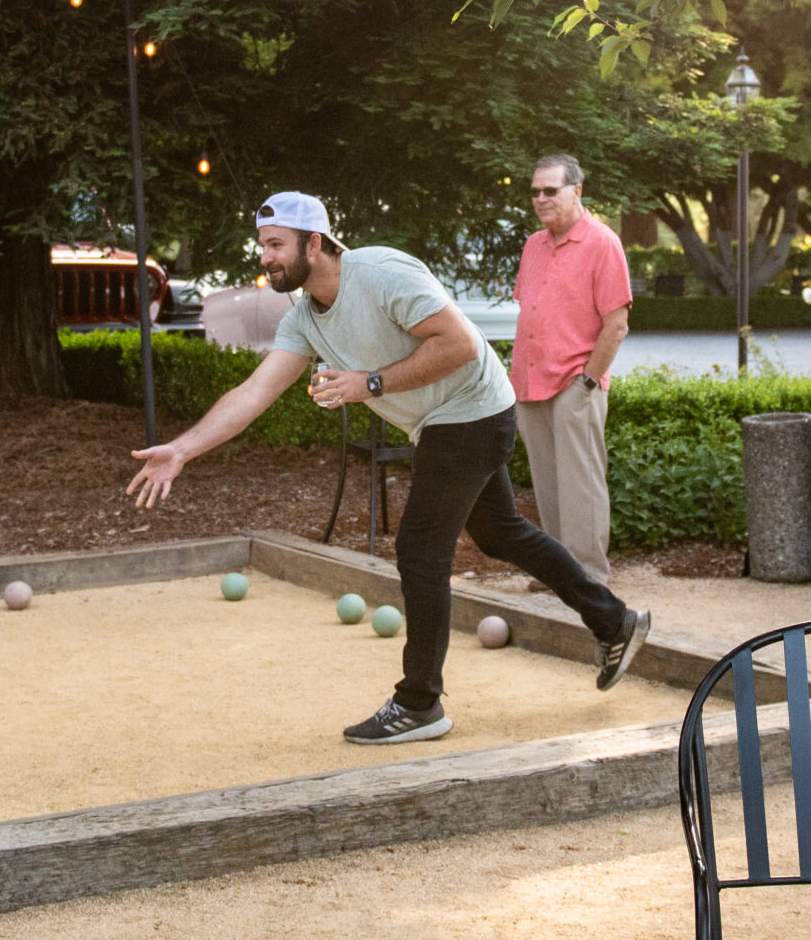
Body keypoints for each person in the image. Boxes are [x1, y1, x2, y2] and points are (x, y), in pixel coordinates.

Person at [126, 191, 652, 746]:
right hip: (439, 422)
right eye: (263, 246)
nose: (266, 257)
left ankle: (419, 702)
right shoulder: (305, 317)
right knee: (500, 533)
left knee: (420, 549)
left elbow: (460, 345)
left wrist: (370, 381)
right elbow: (255, 391)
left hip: (473, 408)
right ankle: (614, 621)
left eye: (276, 245)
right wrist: (182, 449)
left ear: (314, 243)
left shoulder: (379, 273)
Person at [510, 154, 633, 585]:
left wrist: (586, 382)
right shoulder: (533, 245)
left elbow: (616, 324)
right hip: (530, 382)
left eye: (551, 190)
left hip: (574, 383)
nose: (540, 199)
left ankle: (590, 579)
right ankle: (557, 573)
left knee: (581, 487)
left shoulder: (603, 243)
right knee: (548, 485)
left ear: (576, 191)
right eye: (535, 192)